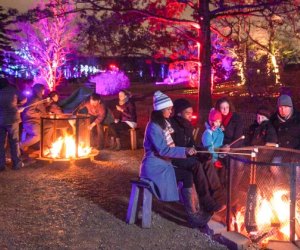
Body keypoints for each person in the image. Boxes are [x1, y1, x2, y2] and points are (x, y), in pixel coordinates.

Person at [139, 91, 211, 228]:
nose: (171, 111)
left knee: (188, 174)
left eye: (171, 108)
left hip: (163, 163)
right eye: (168, 109)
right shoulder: (154, 127)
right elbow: (163, 150)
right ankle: (193, 215)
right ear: (161, 110)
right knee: (187, 174)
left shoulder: (163, 124)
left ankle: (194, 213)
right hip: (155, 167)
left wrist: (189, 149)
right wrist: (184, 151)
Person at [170, 99, 226, 214]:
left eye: (191, 113)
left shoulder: (188, 126)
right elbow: (172, 147)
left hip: (188, 154)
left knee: (207, 160)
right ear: (179, 113)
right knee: (196, 165)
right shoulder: (172, 126)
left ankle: (219, 197)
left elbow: (192, 144)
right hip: (177, 157)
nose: (191, 116)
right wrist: (186, 151)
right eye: (187, 113)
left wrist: (203, 152)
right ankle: (207, 202)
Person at [0, 78, 24, 171]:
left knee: (1, 143)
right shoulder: (14, 90)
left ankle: (1, 164)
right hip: (13, 119)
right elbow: (24, 99)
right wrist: (18, 105)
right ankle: (16, 163)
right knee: (14, 142)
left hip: (1, 120)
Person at [20, 83, 52, 152]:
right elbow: (29, 111)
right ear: (39, 90)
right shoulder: (34, 99)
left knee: (49, 125)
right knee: (38, 135)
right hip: (31, 122)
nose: (44, 91)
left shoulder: (38, 98)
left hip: (38, 121)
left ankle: (44, 146)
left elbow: (38, 108)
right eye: (43, 90)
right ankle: (22, 144)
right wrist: (41, 114)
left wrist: (47, 105)